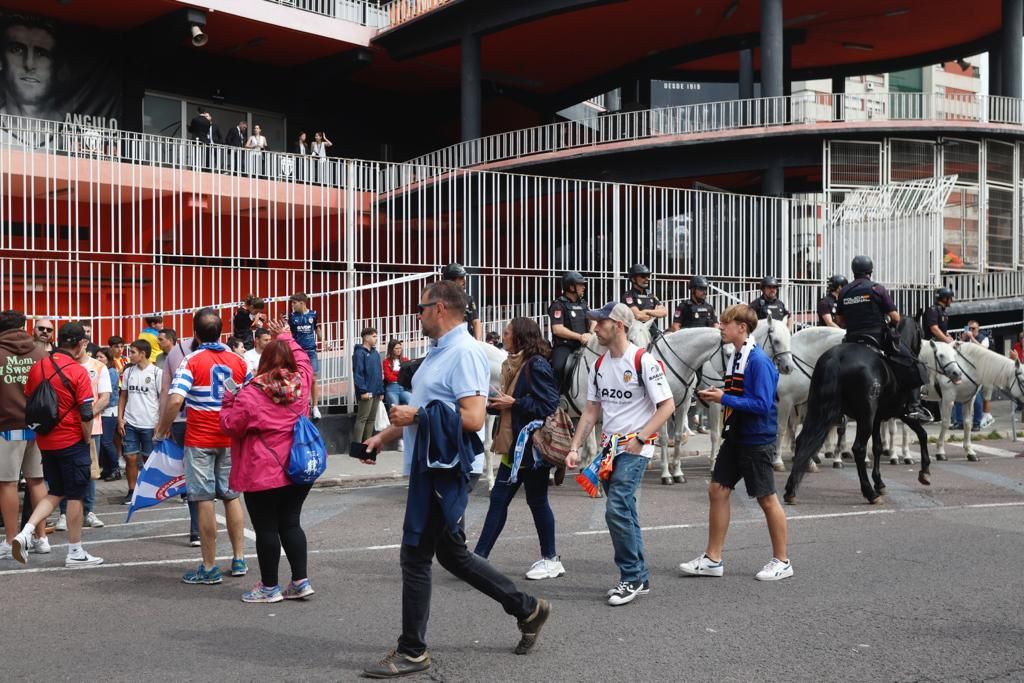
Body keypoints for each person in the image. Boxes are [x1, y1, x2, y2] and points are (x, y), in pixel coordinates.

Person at [361, 281, 549, 678]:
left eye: (421, 307)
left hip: (446, 471)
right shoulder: (437, 353)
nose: (418, 314)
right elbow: (422, 410)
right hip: (429, 467)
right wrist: (384, 436)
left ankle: (413, 650)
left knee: (415, 555)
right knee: (451, 555)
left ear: (440, 308)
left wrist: (416, 417)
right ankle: (527, 608)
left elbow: (474, 418)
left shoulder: (463, 353)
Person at [564, 301, 674, 606]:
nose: (595, 327)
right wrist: (574, 448)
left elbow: (667, 406)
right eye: (595, 322)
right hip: (609, 449)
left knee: (616, 509)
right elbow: (590, 412)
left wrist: (641, 438)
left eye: (601, 322)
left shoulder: (643, 361)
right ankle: (640, 576)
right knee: (626, 511)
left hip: (635, 448)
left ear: (620, 326)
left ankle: (629, 578)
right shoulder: (599, 366)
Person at [679, 303, 793, 582]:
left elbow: (762, 404)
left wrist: (723, 398)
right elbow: (739, 394)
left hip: (756, 439)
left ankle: (782, 561)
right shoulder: (738, 355)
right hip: (737, 435)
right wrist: (718, 394)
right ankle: (712, 559)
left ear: (742, 328)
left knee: (767, 499)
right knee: (718, 490)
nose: (720, 327)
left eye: (725, 324)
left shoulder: (757, 361)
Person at [221, 319, 316, 603]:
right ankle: (300, 581)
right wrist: (286, 336)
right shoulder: (303, 381)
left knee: (266, 529)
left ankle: (269, 587)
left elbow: (230, 425)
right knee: (291, 523)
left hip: (263, 470)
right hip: (298, 467)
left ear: (262, 361)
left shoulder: (250, 393)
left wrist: (228, 400)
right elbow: (303, 359)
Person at [156, 307, 250, 585]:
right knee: (232, 497)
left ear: (195, 333)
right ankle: (239, 558)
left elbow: (174, 400)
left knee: (204, 499)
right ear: (221, 332)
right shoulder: (238, 361)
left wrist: (162, 429)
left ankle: (209, 566)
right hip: (230, 437)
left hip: (200, 439)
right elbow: (247, 395)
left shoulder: (192, 360)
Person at [474, 318, 562, 579]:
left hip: (531, 448)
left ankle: (550, 559)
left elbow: (549, 404)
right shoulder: (511, 364)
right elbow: (512, 402)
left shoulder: (536, 364)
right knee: (507, 500)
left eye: (508, 333)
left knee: (527, 500)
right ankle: (480, 558)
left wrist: (514, 403)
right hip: (516, 446)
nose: (504, 337)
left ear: (521, 337)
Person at [10, 322, 103, 567]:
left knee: (56, 491)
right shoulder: (77, 371)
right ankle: (75, 551)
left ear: (59, 340)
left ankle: (26, 532)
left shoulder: (39, 366)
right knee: (75, 496)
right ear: (81, 343)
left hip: (46, 440)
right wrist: (86, 439)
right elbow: (85, 413)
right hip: (71, 439)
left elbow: (31, 397)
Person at [835, 255, 931, 422]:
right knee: (914, 363)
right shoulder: (876, 289)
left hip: (851, 339)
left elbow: (840, 321)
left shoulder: (845, 291)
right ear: (870, 271)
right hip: (876, 338)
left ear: (854, 271)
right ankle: (914, 407)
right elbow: (895, 318)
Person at [0, 310, 48, 561]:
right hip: (37, 426)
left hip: (6, 426)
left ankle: (10, 541)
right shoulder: (39, 353)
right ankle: (41, 538)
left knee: (7, 484)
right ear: (24, 326)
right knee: (37, 481)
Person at [56, 330, 110, 530]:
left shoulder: (99, 366)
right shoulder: (62, 365)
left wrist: (86, 416)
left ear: (84, 343)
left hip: (92, 428)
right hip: (66, 429)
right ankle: (64, 513)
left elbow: (104, 397)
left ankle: (88, 511)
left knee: (90, 471)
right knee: (65, 472)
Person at [158, 331, 202, 546]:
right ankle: (238, 555)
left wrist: (162, 424)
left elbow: (167, 393)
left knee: (192, 476)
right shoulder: (228, 354)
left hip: (183, 422)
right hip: (217, 423)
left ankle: (197, 531)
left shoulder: (176, 354)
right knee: (228, 493)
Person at [117, 340, 163, 504]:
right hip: (130, 422)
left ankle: (150, 490)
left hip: (150, 423)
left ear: (143, 353)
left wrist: (160, 423)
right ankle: (131, 490)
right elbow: (123, 396)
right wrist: (120, 418)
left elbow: (162, 398)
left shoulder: (157, 372)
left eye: (133, 352)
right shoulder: (129, 372)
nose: (130, 355)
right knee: (130, 458)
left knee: (148, 459)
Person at [0, 16, 60, 122]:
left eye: (41, 53)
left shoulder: (72, 131)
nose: (29, 64)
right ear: (1, 60)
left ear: (57, 66)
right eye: (17, 50)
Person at [548, 271, 592, 386]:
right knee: (558, 367)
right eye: (580, 284)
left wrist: (591, 333)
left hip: (585, 344)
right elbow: (557, 329)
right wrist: (580, 336)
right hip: (565, 346)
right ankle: (556, 397)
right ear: (571, 287)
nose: (584, 287)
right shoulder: (558, 305)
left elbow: (594, 321)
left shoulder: (583, 304)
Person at [952, 321, 992, 431]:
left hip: (978, 371)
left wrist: (972, 339)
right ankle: (959, 422)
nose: (971, 331)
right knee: (959, 395)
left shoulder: (983, 338)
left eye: (973, 328)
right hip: (965, 370)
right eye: (969, 328)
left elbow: (983, 350)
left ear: (978, 329)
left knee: (976, 397)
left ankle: (976, 423)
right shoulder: (965, 339)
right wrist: (961, 339)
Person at [287, 293, 321, 421]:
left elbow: (317, 329)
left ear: (302, 303)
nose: (292, 305)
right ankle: (302, 406)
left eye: (294, 303)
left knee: (313, 379)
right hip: (297, 352)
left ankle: (315, 407)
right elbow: (289, 332)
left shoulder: (313, 314)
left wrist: (323, 341)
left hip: (311, 351)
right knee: (298, 379)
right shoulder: (292, 317)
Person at [352, 327, 383, 450]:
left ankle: (367, 446)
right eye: (374, 336)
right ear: (366, 337)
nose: (376, 339)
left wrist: (381, 390)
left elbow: (379, 373)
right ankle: (357, 448)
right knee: (362, 419)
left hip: (376, 391)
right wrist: (363, 391)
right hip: (367, 392)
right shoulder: (359, 353)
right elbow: (358, 374)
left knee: (371, 420)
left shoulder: (375, 353)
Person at [94, 347, 121, 482]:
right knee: (104, 442)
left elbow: (107, 394)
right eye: (97, 357)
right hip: (103, 410)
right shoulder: (101, 370)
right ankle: (107, 469)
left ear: (109, 360)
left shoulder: (110, 372)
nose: (98, 360)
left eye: (101, 357)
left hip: (109, 410)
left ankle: (115, 469)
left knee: (106, 442)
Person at [621, 264, 669, 339]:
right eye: (643, 276)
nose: (647, 279)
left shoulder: (651, 295)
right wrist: (655, 314)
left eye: (648, 276)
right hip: (637, 335)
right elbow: (638, 316)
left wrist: (646, 311)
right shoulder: (628, 296)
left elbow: (664, 312)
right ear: (633, 279)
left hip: (653, 332)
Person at [442, 263, 482, 340]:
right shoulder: (440, 299)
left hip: (467, 341)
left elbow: (476, 321)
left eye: (464, 277)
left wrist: (478, 342)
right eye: (460, 278)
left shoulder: (468, 298)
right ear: (451, 281)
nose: (464, 281)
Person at [383, 339, 412, 411]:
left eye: (400, 348)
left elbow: (407, 374)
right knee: (395, 410)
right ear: (391, 349)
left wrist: (394, 373)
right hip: (392, 389)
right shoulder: (386, 361)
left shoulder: (405, 360)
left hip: (403, 389)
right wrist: (400, 375)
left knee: (411, 401)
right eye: (396, 348)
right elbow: (388, 377)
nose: (399, 350)